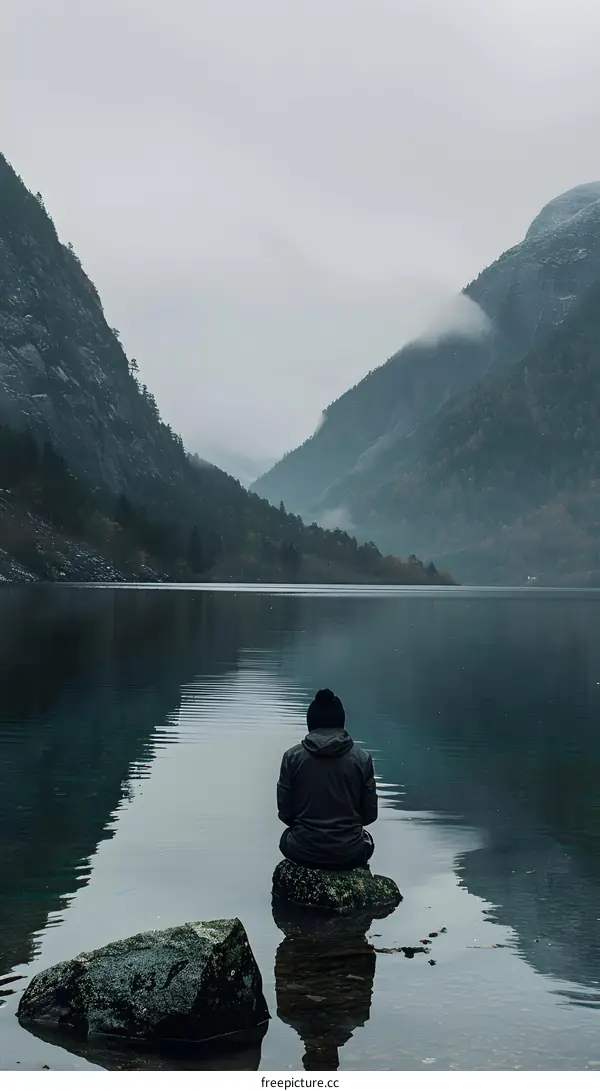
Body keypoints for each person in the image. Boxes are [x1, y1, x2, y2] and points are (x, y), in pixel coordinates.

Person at [277, 688, 377, 870]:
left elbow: (285, 814)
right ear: (341, 721)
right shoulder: (362, 759)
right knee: (367, 840)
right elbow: (370, 815)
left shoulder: (291, 757)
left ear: (310, 722)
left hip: (302, 850)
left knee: (285, 838)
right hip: (350, 852)